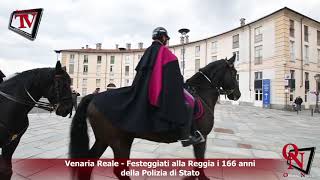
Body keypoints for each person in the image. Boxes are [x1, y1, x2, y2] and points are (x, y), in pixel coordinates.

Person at [93, 27, 204, 147]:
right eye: (166, 38)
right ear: (163, 38)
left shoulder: (148, 52)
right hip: (160, 91)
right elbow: (174, 76)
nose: (166, 41)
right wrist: (181, 84)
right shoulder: (165, 52)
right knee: (190, 102)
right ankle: (186, 136)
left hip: (143, 90)